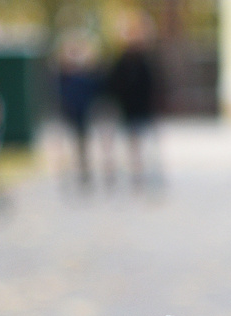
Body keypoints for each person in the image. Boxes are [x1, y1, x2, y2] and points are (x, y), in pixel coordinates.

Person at [104, 18, 161, 191]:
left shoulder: (145, 61)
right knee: (131, 143)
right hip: (127, 109)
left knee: (145, 143)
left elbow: (154, 84)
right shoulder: (122, 62)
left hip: (143, 109)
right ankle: (134, 174)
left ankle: (145, 174)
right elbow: (113, 84)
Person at [52, 34, 104, 190]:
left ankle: (83, 172)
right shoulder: (63, 76)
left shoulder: (86, 75)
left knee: (82, 144)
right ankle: (67, 173)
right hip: (68, 112)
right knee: (66, 145)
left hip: (83, 113)